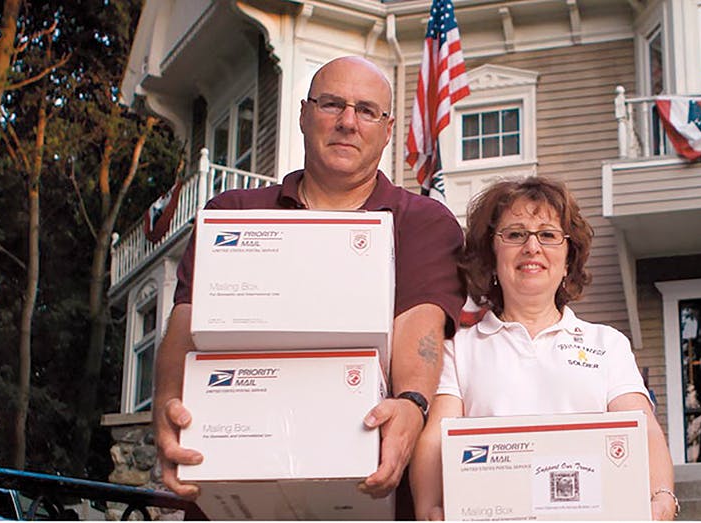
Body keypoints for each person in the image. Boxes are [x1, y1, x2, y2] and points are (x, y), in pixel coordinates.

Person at [152, 56, 466, 516]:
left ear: (389, 128)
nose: (347, 122)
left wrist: (412, 403)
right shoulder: (235, 214)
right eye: (331, 104)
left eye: (366, 110)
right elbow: (186, 325)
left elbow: (420, 328)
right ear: (302, 114)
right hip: (232, 490)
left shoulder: (422, 222)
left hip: (362, 494)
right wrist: (166, 408)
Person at [409, 177, 678, 520]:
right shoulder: (458, 349)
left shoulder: (607, 344)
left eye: (548, 235)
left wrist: (662, 497)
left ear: (568, 261)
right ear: (491, 257)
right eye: (515, 234)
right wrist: (429, 508)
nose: (532, 247)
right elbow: (436, 437)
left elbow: (643, 428)